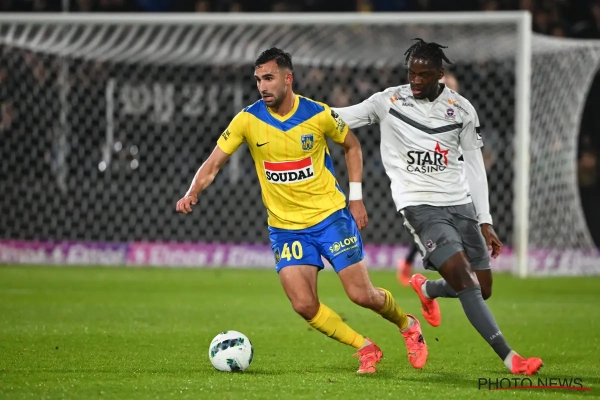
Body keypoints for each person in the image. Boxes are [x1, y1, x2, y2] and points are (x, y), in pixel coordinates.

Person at [176, 47, 427, 374]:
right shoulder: (247, 120)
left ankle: (408, 325)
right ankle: (364, 347)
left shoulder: (318, 114)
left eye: (269, 78)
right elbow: (212, 164)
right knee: (304, 304)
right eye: (258, 80)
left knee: (362, 295)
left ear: (287, 78)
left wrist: (356, 197)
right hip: (285, 228)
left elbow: (352, 145)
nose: (262, 86)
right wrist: (192, 191)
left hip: (330, 218)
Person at [332, 39, 543, 375]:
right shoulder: (389, 101)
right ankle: (510, 357)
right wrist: (297, 108)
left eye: (424, 74)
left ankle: (427, 287)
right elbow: (339, 116)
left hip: (459, 204)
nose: (415, 80)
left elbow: (474, 167)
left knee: (483, 287)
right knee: (465, 280)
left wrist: (485, 220)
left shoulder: (461, 109)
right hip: (419, 205)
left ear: (440, 74)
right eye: (411, 73)